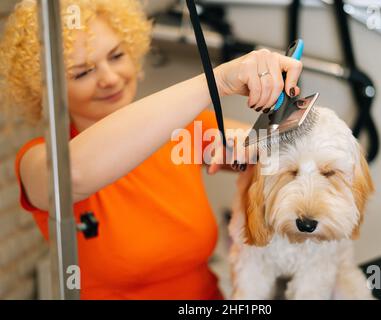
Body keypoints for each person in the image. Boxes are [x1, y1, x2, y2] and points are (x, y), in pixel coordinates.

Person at [0, 0, 303, 299]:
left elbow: (289, 144)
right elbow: (73, 174)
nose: (109, 78)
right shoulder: (38, 160)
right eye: (82, 73)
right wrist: (217, 81)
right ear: (45, 88)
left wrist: (265, 138)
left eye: (116, 56)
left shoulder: (184, 129)